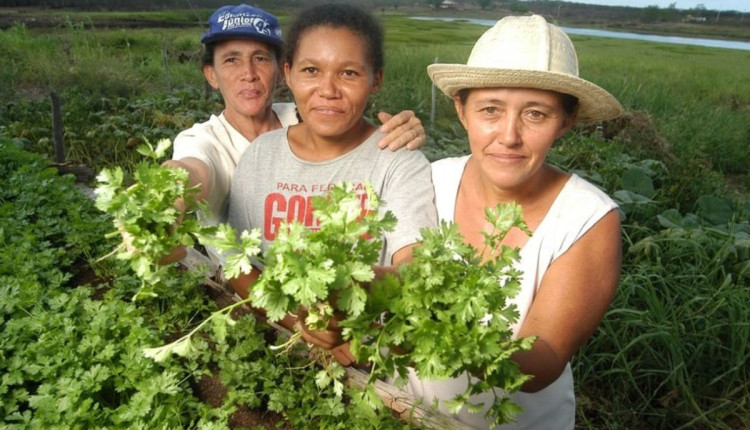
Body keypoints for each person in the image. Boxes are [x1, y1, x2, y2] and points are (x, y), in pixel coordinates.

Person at [403, 15, 624, 429]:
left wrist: (415, 321)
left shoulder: (588, 219)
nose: (508, 135)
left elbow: (543, 360)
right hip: (404, 412)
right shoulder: (428, 180)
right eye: (490, 109)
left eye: (536, 115)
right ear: (461, 109)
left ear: (566, 121)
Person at [226, 3, 437, 360]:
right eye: (311, 70)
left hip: (362, 361)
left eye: (349, 74)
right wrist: (297, 321)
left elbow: (414, 268)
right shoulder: (262, 154)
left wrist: (348, 298)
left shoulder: (398, 161)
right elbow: (237, 264)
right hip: (274, 344)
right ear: (288, 73)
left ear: (376, 80)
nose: (328, 90)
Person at [162, 4, 427, 264]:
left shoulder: (306, 114)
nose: (248, 74)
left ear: (280, 71)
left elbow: (353, 125)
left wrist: (404, 130)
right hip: (243, 289)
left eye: (261, 58)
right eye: (232, 60)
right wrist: (163, 201)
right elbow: (190, 172)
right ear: (211, 74)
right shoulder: (204, 140)